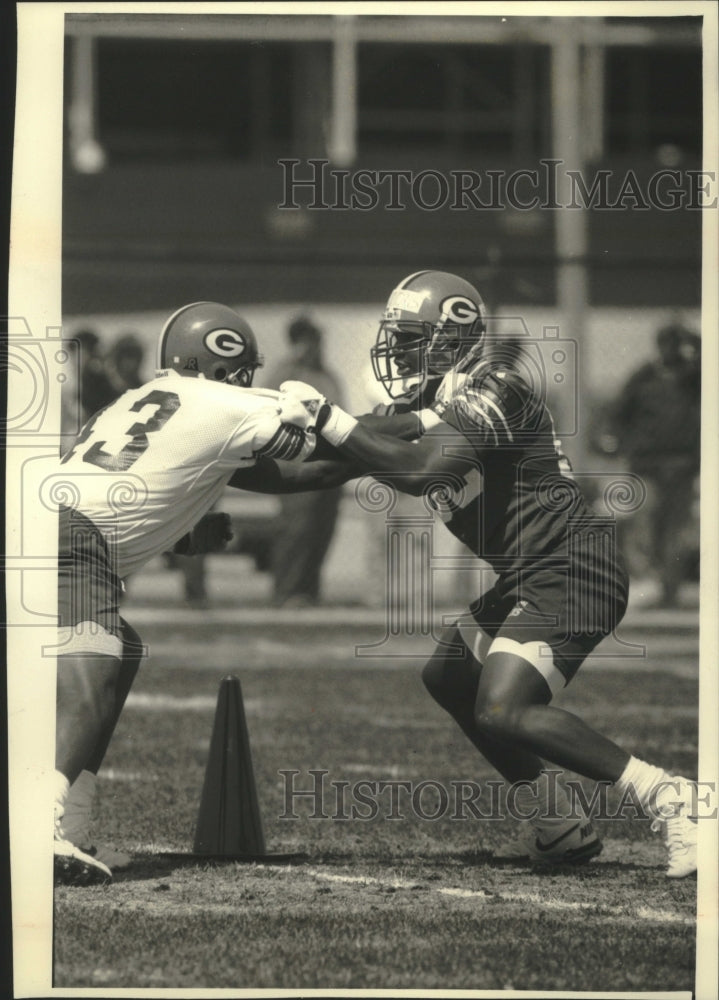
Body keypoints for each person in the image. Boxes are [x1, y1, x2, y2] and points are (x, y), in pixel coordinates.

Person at [268, 270, 697, 878]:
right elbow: (324, 467)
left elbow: (420, 469)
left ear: (450, 338)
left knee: (502, 708)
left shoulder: (497, 386)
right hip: (531, 575)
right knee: (449, 676)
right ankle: (557, 821)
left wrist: (333, 423)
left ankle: (672, 797)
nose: (397, 348)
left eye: (410, 336)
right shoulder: (425, 405)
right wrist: (222, 461)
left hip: (574, 567)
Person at [53, 301, 336, 886]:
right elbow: (307, 457)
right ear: (217, 363)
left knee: (121, 650)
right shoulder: (225, 401)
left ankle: (69, 825)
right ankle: (41, 826)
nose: (244, 381)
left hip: (51, 517)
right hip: (74, 539)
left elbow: (131, 482)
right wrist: (408, 436)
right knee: (95, 669)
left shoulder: (133, 398)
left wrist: (182, 533)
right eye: (237, 368)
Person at [610, 321, 701, 607]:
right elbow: (618, 414)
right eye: (667, 342)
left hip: (682, 465)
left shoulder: (692, 378)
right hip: (647, 464)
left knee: (675, 527)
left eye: (676, 343)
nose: (671, 348)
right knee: (645, 523)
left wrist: (695, 341)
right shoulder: (644, 377)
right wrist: (628, 445)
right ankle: (648, 582)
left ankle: (668, 588)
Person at [263, 317, 346, 607]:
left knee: (322, 530)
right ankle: (286, 591)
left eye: (317, 340)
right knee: (295, 531)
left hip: (330, 465)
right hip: (299, 463)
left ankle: (308, 592)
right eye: (308, 340)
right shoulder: (285, 374)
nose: (315, 347)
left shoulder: (328, 375)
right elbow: (270, 412)